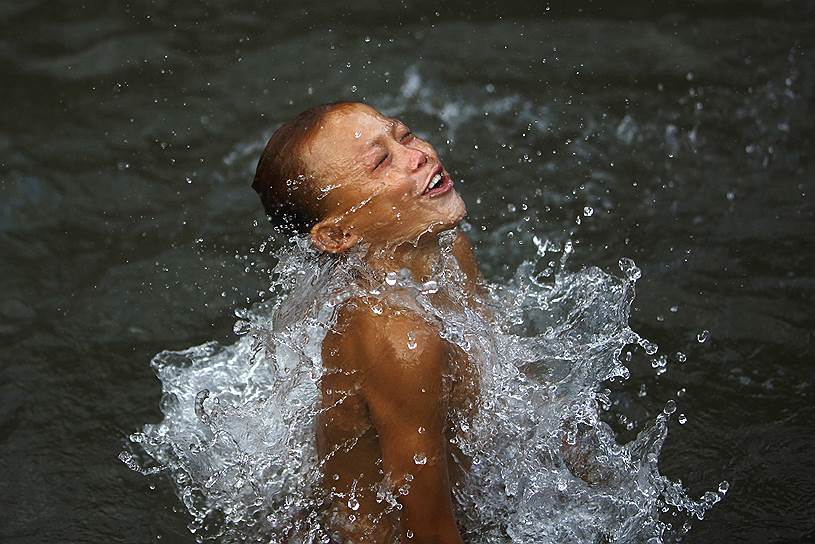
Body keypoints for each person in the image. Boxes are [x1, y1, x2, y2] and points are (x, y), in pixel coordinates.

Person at [252, 102, 482, 543]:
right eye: (381, 161)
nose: (418, 156)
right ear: (338, 234)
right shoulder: (400, 339)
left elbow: (506, 381)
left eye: (405, 135)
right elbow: (428, 533)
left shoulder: (452, 253)